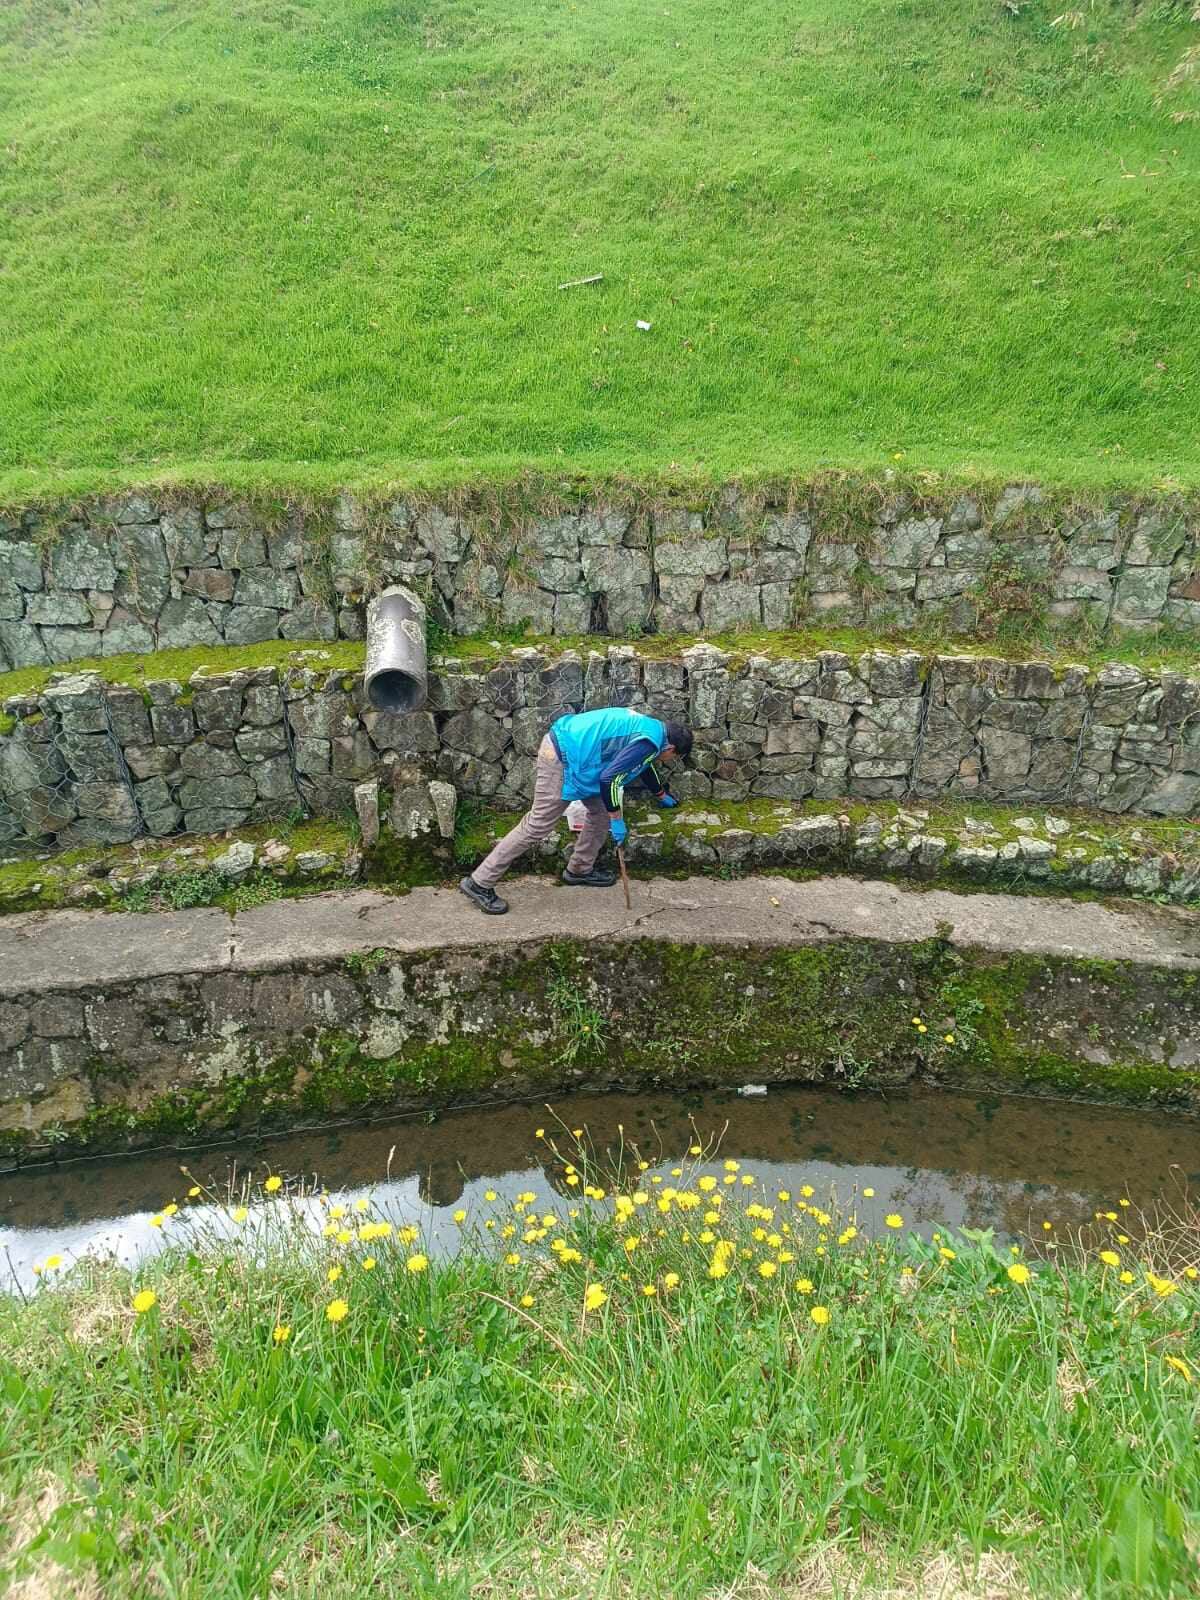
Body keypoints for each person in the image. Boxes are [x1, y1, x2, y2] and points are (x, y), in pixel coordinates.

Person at [460, 707, 693, 915]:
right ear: (670, 748)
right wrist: (617, 819)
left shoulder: (652, 729)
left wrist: (660, 794)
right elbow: (610, 778)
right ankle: (479, 882)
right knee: (537, 825)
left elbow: (643, 764)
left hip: (578, 754)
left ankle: (580, 869)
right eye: (672, 757)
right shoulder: (650, 742)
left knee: (600, 813)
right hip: (562, 756)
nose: (667, 760)